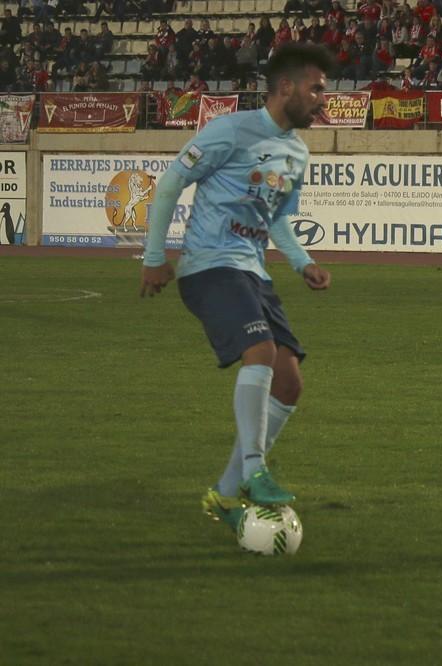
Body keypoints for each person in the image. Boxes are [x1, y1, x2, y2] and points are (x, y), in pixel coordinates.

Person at [139, 43, 334, 532]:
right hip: (209, 266)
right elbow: (171, 184)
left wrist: (303, 262)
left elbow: (279, 218)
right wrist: (155, 258)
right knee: (260, 350)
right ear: (285, 87)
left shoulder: (297, 152)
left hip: (253, 272)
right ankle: (254, 472)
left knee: (289, 381)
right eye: (316, 89)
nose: (322, 100)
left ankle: (226, 495)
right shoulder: (229, 130)